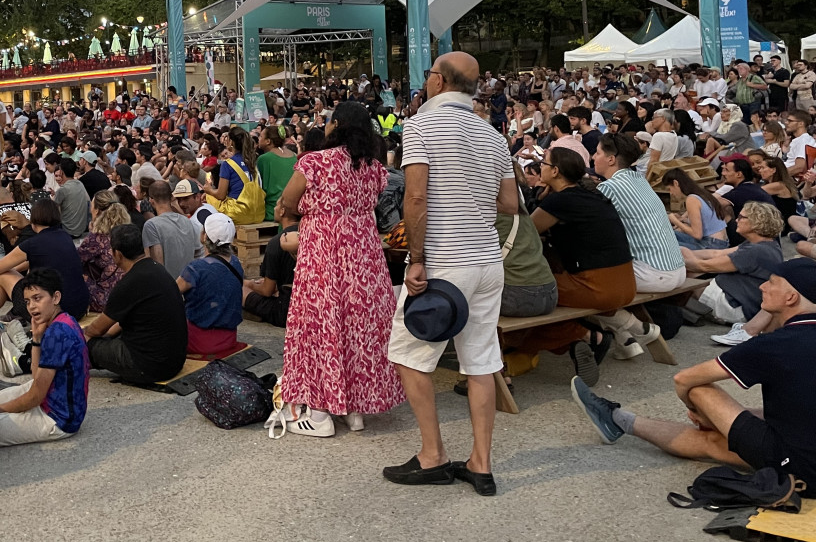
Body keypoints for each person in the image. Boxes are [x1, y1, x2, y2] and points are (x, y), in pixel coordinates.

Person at [383, 52, 517, 495]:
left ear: (438, 81)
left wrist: (415, 258)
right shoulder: (493, 135)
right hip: (486, 260)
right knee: (480, 362)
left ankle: (433, 454)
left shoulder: (421, 125)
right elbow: (510, 204)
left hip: (444, 261)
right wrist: (470, 196)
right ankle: (481, 463)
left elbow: (415, 198)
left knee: (407, 353)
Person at [571, 260, 816, 495]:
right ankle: (618, 420)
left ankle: (617, 419)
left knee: (700, 390)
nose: (762, 286)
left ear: (791, 297)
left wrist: (701, 412)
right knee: (716, 441)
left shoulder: (775, 344)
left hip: (797, 467)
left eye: (771, 282)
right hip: (802, 453)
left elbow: (684, 379)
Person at [270, 100, 405, 438]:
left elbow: (288, 199)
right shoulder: (375, 169)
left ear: (337, 125)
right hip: (363, 254)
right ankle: (355, 410)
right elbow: (370, 201)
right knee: (359, 327)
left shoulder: (314, 162)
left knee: (320, 324)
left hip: (323, 253)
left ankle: (318, 413)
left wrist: (297, 209)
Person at [502, 151, 633, 384]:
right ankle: (582, 338)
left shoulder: (559, 201)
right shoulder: (592, 196)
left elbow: (527, 234)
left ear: (555, 171)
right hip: (626, 282)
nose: (539, 166)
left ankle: (582, 337)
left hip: (597, 287)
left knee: (525, 297)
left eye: (543, 163)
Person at [591, 133, 686, 358]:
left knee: (581, 286)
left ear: (611, 159)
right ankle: (626, 341)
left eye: (597, 153)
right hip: (675, 268)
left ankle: (633, 328)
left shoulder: (609, 188)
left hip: (653, 273)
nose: (593, 158)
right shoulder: (639, 179)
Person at [0, 269, 90, 447]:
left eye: (37, 298)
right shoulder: (65, 320)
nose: (31, 306)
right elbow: (36, 377)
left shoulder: (58, 333)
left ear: (56, 298)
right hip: (51, 398)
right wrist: (37, 339)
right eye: (27, 301)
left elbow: (35, 397)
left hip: (57, 419)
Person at [0, 197, 89, 333]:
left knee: (2, 276)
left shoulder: (33, 243)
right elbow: (39, 260)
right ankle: (17, 313)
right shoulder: (65, 237)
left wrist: (11, 271)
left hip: (53, 311)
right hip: (79, 308)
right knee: (31, 277)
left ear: (32, 221)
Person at [83, 224, 189, 384]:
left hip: (148, 366)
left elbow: (97, 329)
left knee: (86, 344)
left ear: (117, 254)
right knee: (106, 338)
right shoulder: (158, 270)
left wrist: (82, 334)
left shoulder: (129, 283)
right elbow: (120, 320)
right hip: (174, 362)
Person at [684, 202, 786, 338]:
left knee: (680, 284)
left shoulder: (755, 251)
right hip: (739, 298)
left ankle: (690, 313)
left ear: (756, 222)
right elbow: (716, 254)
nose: (736, 220)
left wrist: (672, 259)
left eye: (741, 217)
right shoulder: (766, 244)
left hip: (736, 304)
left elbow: (704, 266)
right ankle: (692, 311)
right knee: (687, 263)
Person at [176, 212, 245, 359]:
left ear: (205, 237)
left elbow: (171, 293)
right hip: (229, 339)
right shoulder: (236, 263)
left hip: (197, 342)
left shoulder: (196, 268)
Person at [142, 180, 206, 278]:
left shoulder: (151, 226)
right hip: (188, 285)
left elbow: (156, 266)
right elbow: (198, 252)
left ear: (151, 200)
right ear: (172, 197)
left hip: (168, 288)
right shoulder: (187, 221)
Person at [204, 125, 265, 225]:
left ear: (231, 142)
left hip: (239, 213)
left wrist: (209, 190)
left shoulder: (227, 164)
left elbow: (221, 195)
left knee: (209, 196)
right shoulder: (252, 162)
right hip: (258, 213)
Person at [78, 190, 127, 313]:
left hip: (105, 298)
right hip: (125, 293)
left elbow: (75, 260)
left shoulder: (97, 237)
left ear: (97, 211)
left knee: (75, 273)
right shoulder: (126, 232)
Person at [242, 228, 297, 328]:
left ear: (282, 211)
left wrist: (249, 284)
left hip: (286, 311)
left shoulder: (277, 242)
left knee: (241, 290)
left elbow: (267, 291)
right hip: (301, 302)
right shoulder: (315, 237)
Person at [662, 169, 729, 251]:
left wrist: (675, 221)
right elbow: (705, 220)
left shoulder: (692, 199)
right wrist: (684, 220)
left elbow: (697, 234)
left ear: (676, 183)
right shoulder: (702, 194)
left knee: (664, 243)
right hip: (720, 242)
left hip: (711, 245)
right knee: (669, 235)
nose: (671, 193)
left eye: (670, 189)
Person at [255, 125, 298, 222]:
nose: (259, 139)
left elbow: (258, 188)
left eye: (261, 136)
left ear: (268, 141)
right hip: (292, 211)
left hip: (271, 211)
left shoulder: (264, 159)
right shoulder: (294, 156)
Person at [53, 158, 91, 238]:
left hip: (68, 231)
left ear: (62, 172)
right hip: (81, 229)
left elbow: (53, 210)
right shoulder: (80, 184)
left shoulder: (63, 190)